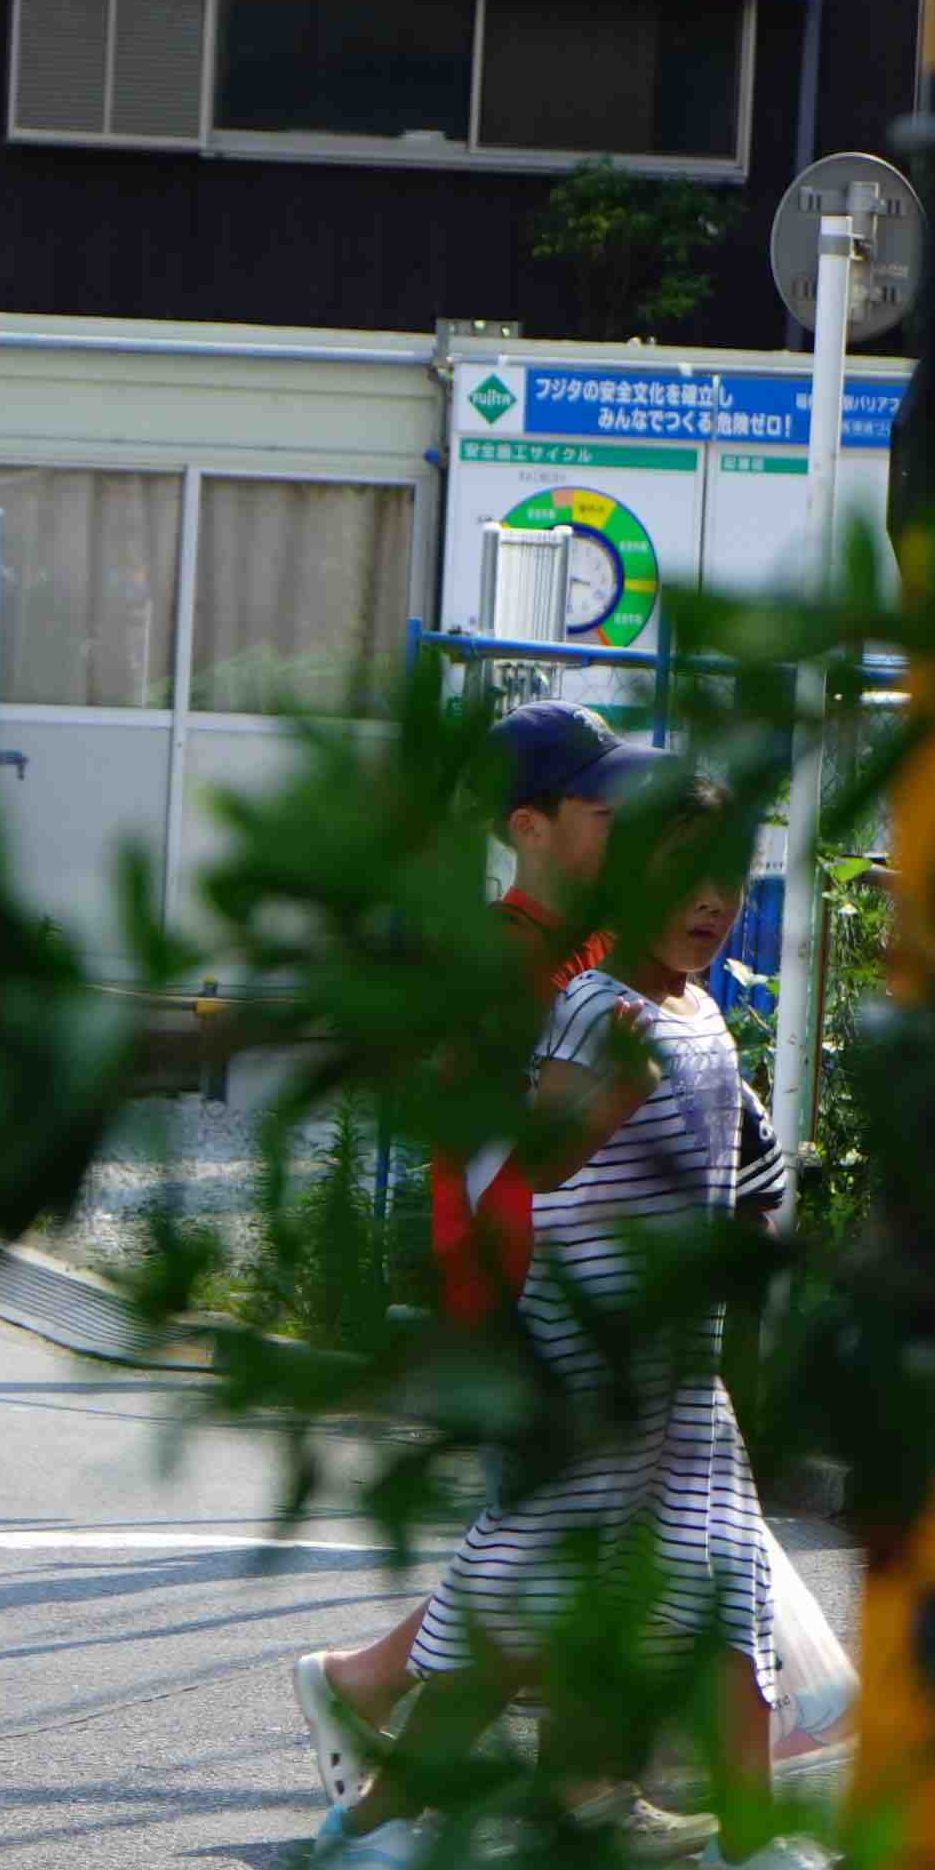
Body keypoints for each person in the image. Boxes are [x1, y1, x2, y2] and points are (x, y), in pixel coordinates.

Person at [311, 769, 845, 1870]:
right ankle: (374, 1823)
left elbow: (725, 1181)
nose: (711, 899)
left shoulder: (701, 1015)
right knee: (515, 1614)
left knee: (730, 1587)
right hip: (588, 1362)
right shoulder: (596, 1009)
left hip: (672, 1365)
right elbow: (536, 1162)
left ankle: (749, 1839)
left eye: (730, 875)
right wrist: (607, 1109)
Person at [293, 701, 632, 1785]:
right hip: (518, 1287)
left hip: (587, 1284)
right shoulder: (498, 959)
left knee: (570, 1543)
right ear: (530, 825)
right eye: (603, 808)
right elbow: (497, 1138)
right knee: (549, 1547)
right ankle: (378, 1712)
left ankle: (539, 1775)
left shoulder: (601, 948)